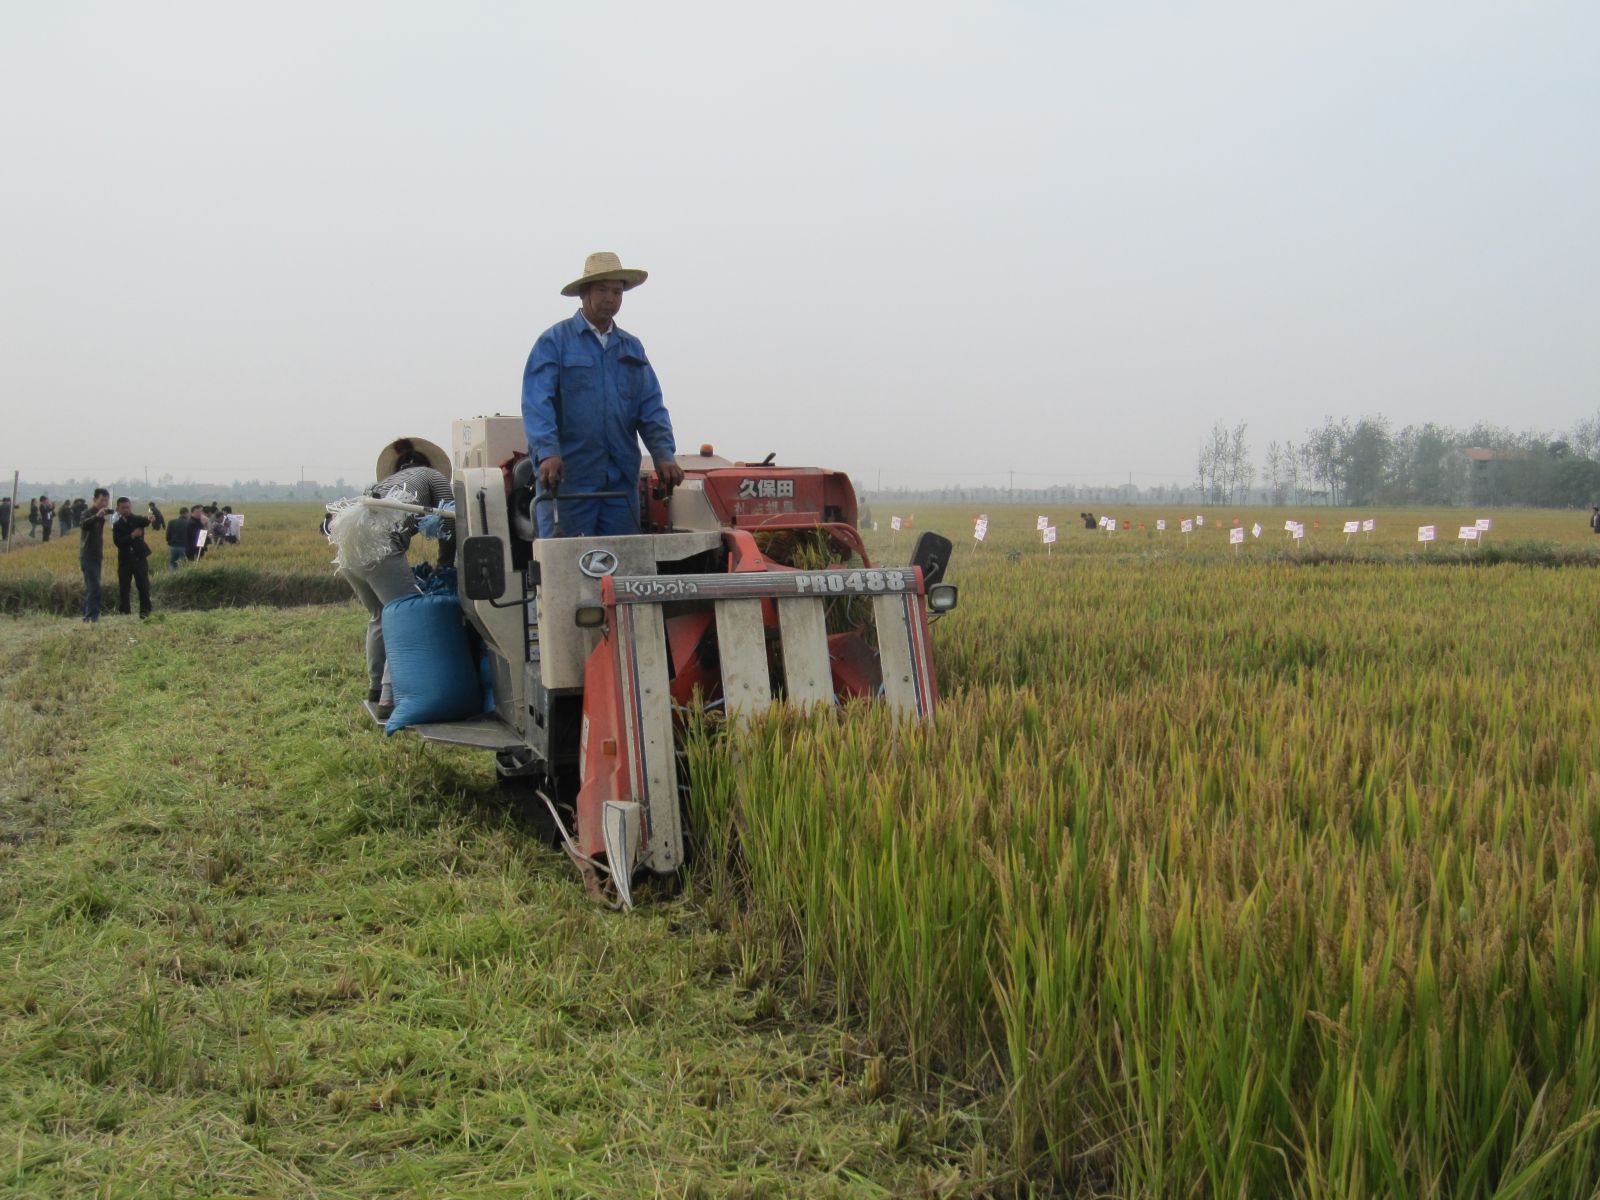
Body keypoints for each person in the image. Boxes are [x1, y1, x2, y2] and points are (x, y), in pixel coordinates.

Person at [521, 251, 683, 539]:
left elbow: (650, 407)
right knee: (568, 567)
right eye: (602, 289)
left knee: (623, 567)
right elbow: (537, 403)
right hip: (569, 481)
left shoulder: (632, 349)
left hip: (619, 483)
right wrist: (547, 452)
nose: (611, 297)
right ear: (583, 294)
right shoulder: (554, 342)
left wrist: (664, 454)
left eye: (617, 291)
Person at [338, 437, 455, 714]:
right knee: (407, 613)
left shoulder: (382, 485)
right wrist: (445, 563)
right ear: (426, 463)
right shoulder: (432, 475)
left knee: (379, 615)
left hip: (348, 551)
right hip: (380, 547)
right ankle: (389, 699)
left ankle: (375, 688)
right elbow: (451, 518)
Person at [111, 496, 154, 618]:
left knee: (143, 586)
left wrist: (150, 518)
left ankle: (145, 612)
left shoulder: (136, 519)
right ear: (118, 509)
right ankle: (125, 612)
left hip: (139, 558)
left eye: (128, 507)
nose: (126, 510)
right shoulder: (117, 525)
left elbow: (145, 520)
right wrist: (132, 535)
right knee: (124, 587)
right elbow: (118, 542)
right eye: (123, 507)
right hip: (124, 560)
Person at [78, 489, 113, 622]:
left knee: (92, 587)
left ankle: (88, 615)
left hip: (97, 555)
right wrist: (97, 516)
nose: (104, 503)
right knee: (94, 587)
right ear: (94, 500)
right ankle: (91, 617)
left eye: (106, 500)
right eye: (102, 500)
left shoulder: (102, 514)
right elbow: (83, 525)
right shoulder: (87, 513)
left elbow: (115, 512)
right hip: (87, 555)